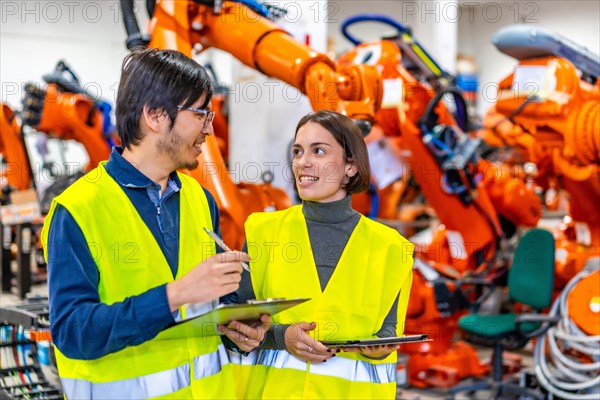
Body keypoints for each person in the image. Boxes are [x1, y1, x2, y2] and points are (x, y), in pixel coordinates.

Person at [41, 48, 265, 399]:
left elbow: (207, 309)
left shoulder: (199, 199)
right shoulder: (77, 209)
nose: (210, 127)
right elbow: (73, 332)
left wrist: (236, 326)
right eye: (201, 113)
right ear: (156, 116)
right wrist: (175, 295)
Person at [232, 110, 414, 399]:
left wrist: (378, 351)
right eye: (298, 151)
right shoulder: (262, 232)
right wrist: (282, 337)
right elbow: (235, 327)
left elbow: (388, 335)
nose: (303, 162)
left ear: (350, 166)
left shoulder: (391, 248)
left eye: (318, 151)